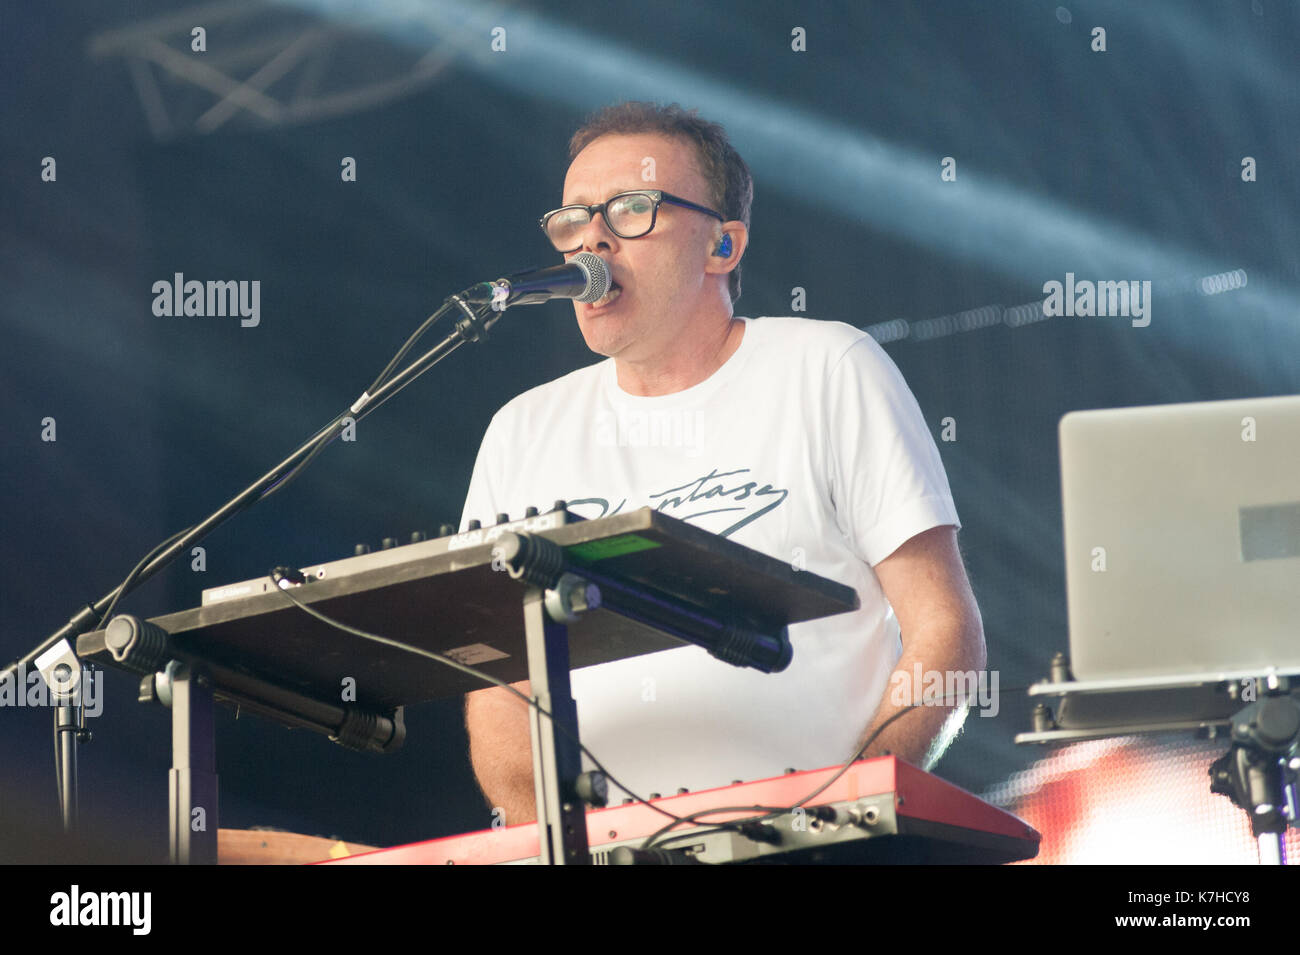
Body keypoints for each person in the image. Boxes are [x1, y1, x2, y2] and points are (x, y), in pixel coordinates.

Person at [460, 101, 985, 826]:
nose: (592, 241)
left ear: (723, 247)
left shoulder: (827, 366)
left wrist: (846, 812)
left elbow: (944, 632)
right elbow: (496, 681)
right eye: (574, 219)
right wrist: (550, 841)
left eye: (631, 210)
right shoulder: (521, 430)